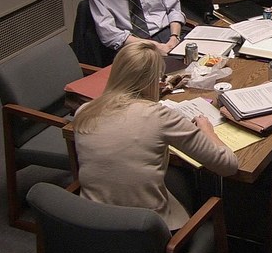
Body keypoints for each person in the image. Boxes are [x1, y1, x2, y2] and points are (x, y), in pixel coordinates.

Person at [72, 42, 238, 231]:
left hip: (91, 225)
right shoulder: (159, 116)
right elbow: (228, 166)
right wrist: (208, 131)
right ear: (152, 81)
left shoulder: (84, 111)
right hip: (145, 232)